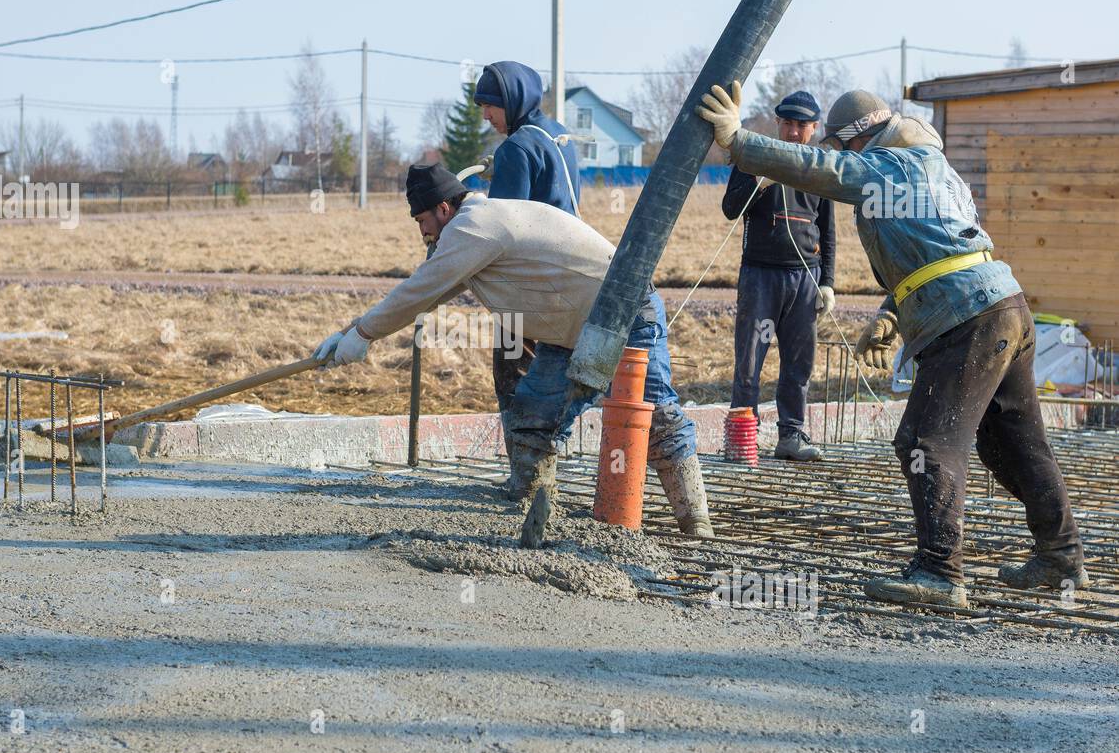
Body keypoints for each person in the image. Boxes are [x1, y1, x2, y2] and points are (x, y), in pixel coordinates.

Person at [696, 82, 1089, 608]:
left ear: (861, 138)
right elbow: (935, 248)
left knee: (924, 442)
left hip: (967, 320)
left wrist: (739, 143)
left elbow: (827, 173)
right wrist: (891, 313)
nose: (843, 156)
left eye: (842, 146)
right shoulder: (931, 168)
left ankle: (939, 573)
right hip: (1001, 309)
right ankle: (1060, 554)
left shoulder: (893, 163)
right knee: (1014, 444)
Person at [314, 163, 714, 546]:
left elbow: (421, 288)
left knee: (658, 417)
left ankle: (694, 521)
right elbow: (428, 292)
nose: (422, 232)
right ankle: (532, 505)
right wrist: (350, 330)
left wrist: (365, 333)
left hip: (624, 311)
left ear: (443, 208)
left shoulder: (474, 228)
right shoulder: (473, 226)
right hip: (568, 328)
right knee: (534, 416)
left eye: (422, 221)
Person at [721, 90, 836, 461]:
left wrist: (828, 282)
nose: (793, 132)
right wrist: (759, 182)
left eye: (802, 126)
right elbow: (730, 209)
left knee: (798, 363)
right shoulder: (755, 158)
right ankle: (743, 440)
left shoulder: (819, 168)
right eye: (787, 123)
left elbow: (828, 230)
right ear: (778, 124)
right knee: (750, 361)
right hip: (761, 277)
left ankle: (791, 436)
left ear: (814, 128)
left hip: (805, 278)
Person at [473, 62, 583, 442]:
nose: (486, 115)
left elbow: (499, 229)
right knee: (551, 377)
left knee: (512, 375)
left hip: (526, 285)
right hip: (568, 275)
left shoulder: (516, 147)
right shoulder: (556, 134)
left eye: (491, 105)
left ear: (513, 100)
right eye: (482, 106)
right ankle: (546, 462)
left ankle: (524, 468)